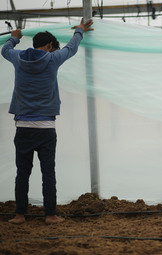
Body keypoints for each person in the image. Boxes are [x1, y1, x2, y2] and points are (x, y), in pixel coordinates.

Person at [1, 18, 94, 224]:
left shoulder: (17, 57)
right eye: (53, 48)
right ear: (50, 45)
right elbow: (72, 48)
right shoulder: (53, 59)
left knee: (22, 173)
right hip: (46, 128)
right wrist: (80, 30)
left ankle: (19, 215)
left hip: (23, 127)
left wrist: (14, 38)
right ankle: (50, 215)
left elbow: (4, 50)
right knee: (48, 173)